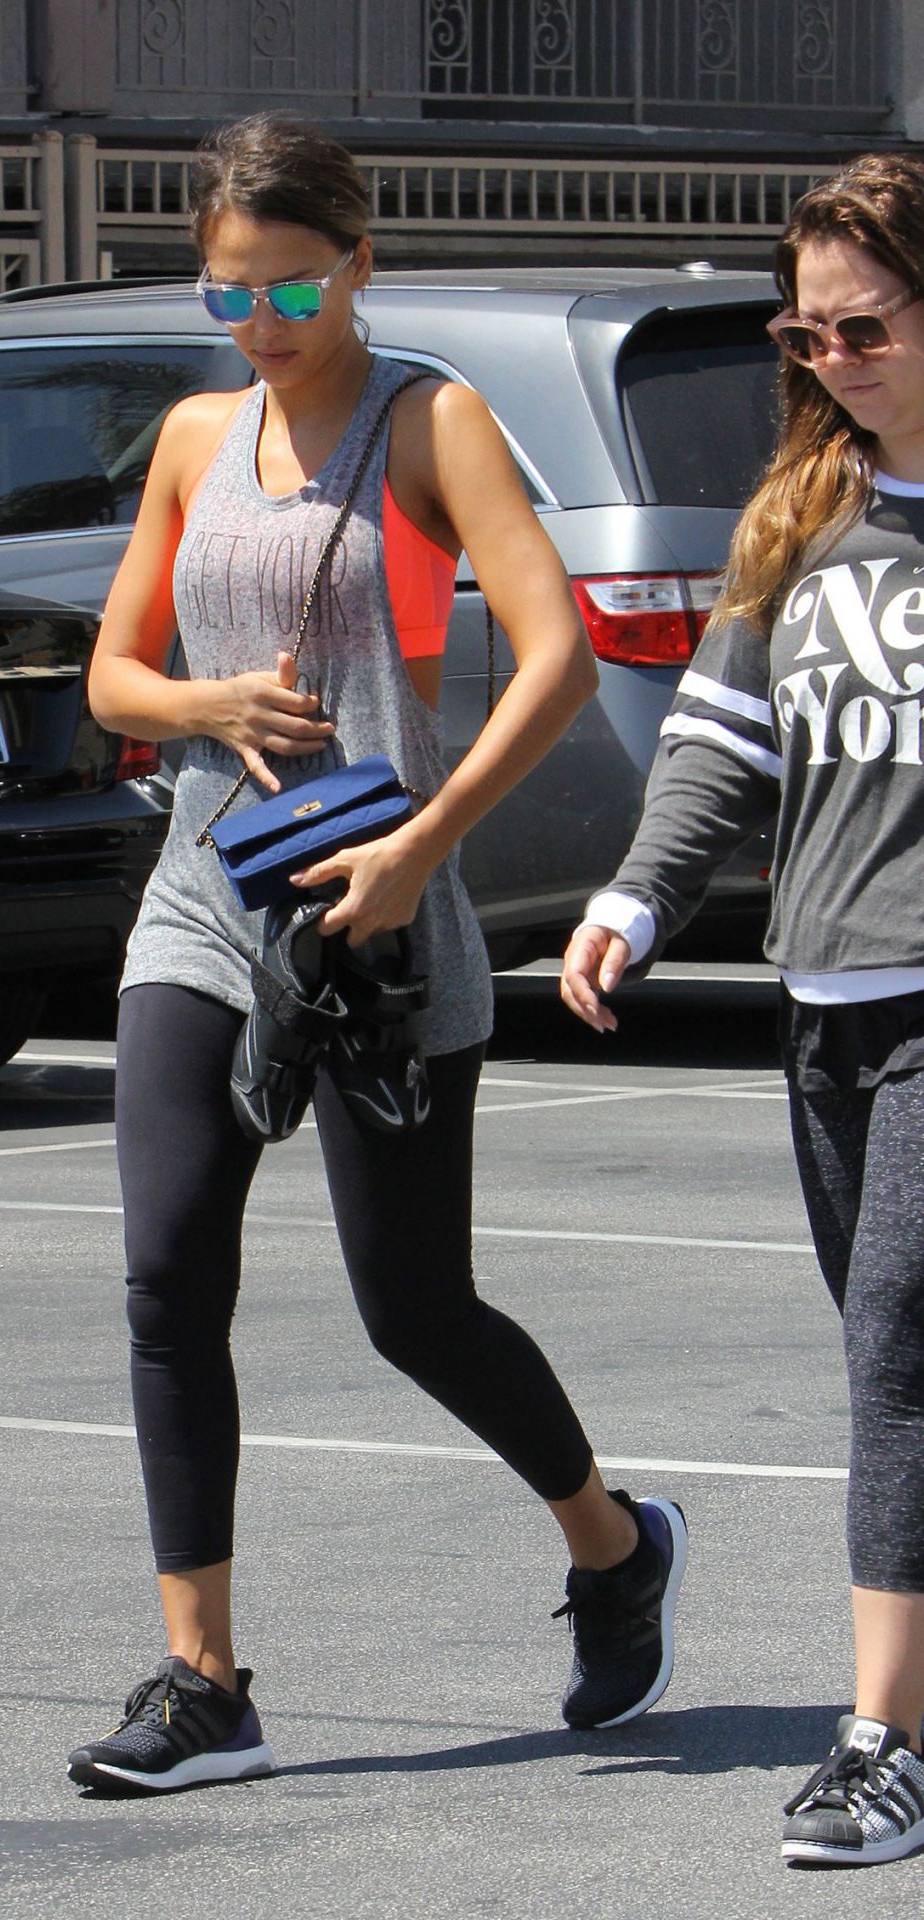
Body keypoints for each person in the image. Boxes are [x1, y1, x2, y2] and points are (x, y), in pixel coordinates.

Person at [69, 110, 687, 1796]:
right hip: (207, 899)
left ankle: (614, 1544)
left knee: (414, 1309)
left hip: (380, 924)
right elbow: (113, 680)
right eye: (227, 299)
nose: (261, 327)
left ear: (356, 265)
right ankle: (205, 1686)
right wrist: (202, 703)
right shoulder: (198, 439)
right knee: (165, 1273)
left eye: (288, 292)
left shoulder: (434, 419)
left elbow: (555, 656)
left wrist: (426, 846)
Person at [561, 151, 924, 1869]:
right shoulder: (795, 517)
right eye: (807, 331)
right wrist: (635, 896)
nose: (831, 358)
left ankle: (881, 1740)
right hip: (828, 998)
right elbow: (719, 751)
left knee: (896, 1352)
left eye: (862, 326)